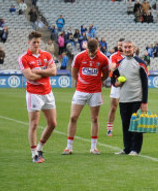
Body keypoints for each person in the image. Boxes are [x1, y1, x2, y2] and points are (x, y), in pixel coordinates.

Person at [63, 39, 110, 155]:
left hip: (95, 91)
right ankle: (69, 147)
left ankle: (93, 147)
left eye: (93, 51)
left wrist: (100, 80)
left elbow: (106, 74)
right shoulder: (79, 57)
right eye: (89, 51)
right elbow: (74, 71)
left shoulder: (103, 59)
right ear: (86, 48)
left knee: (94, 118)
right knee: (73, 117)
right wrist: (79, 82)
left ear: (98, 48)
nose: (91, 53)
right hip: (81, 90)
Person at [18, 31, 57, 163]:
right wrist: (46, 73)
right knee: (34, 124)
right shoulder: (23, 58)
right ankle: (34, 154)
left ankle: (40, 148)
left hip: (47, 92)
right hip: (34, 94)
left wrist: (38, 71)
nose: (36, 44)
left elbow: (54, 71)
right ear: (29, 42)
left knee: (52, 124)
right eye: (34, 42)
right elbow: (29, 76)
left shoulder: (46, 55)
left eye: (38, 42)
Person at [112, 40, 149, 155]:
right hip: (123, 99)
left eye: (130, 47)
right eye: (125, 47)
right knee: (125, 124)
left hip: (136, 99)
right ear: (122, 48)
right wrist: (116, 83)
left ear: (133, 48)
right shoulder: (119, 63)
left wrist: (144, 102)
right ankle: (127, 148)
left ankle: (135, 149)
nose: (127, 49)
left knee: (136, 125)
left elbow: (145, 83)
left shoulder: (140, 63)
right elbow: (114, 78)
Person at [106, 39, 124, 136]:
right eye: (119, 45)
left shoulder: (131, 56)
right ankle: (109, 128)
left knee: (128, 108)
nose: (120, 47)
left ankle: (130, 128)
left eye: (122, 45)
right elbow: (112, 68)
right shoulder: (114, 56)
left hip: (127, 85)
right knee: (113, 107)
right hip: (116, 84)